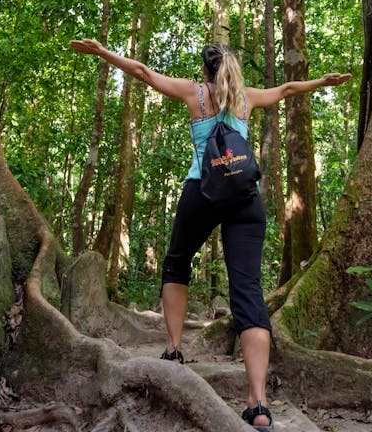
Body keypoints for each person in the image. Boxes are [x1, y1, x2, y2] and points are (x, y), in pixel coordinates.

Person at [69, 38, 351, 429]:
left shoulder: (195, 93)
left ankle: (173, 349)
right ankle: (259, 403)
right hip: (244, 199)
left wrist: (103, 53)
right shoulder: (246, 98)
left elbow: (144, 73)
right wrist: (321, 81)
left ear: (205, 70)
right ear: (231, 68)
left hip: (202, 192)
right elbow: (287, 90)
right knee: (248, 290)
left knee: (177, 261)